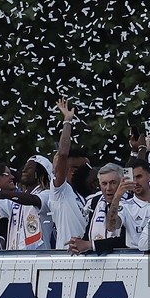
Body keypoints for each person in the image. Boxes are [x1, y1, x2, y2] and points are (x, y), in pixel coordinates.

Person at [49, 99, 88, 249]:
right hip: (66, 258)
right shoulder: (60, 190)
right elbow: (63, 154)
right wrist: (67, 121)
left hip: (88, 256)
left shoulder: (86, 194)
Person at [105, 158, 150, 251]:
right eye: (131, 178)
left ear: (149, 177)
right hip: (137, 257)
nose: (135, 182)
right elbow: (111, 227)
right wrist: (117, 196)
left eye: (139, 176)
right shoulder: (125, 206)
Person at [67, 163, 127, 254]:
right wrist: (78, 244)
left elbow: (126, 240)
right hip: (97, 263)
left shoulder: (130, 202)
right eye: (104, 183)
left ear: (122, 182)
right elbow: (88, 234)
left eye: (113, 183)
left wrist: (90, 245)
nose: (108, 188)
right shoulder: (95, 201)